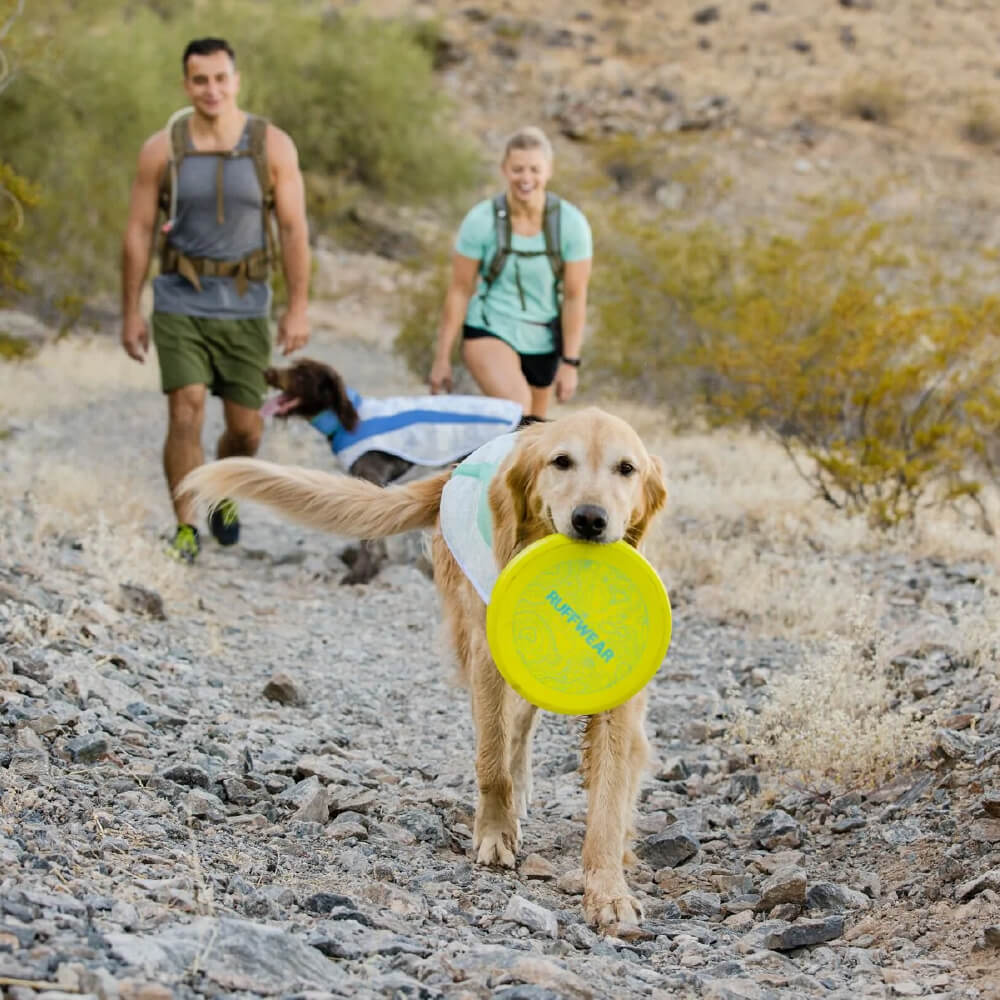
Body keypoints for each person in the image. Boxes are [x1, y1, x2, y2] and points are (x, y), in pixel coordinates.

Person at [120, 37, 310, 563]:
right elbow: (137, 232)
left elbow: (293, 230)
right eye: (200, 80)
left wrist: (298, 307)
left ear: (236, 80)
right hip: (181, 299)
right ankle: (185, 528)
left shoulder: (273, 146)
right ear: (186, 84)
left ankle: (224, 490)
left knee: (245, 429)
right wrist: (130, 310)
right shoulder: (163, 149)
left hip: (247, 305)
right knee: (186, 410)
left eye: (220, 78)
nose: (211, 90)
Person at [428, 126, 592, 421]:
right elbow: (460, 289)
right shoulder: (481, 221)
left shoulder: (571, 224)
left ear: (549, 171)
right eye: (517, 169)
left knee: (534, 437)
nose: (526, 179)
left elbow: (574, 295)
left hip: (543, 339)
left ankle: (484, 464)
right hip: (491, 326)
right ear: (504, 169)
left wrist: (570, 363)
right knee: (518, 408)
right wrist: (442, 358)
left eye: (534, 169)